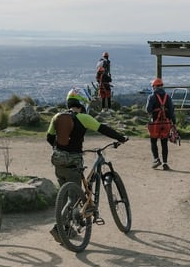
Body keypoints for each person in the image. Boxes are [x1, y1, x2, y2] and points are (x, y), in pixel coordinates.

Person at [46, 87, 128, 242]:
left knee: (63, 195)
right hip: (73, 161)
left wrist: (62, 149)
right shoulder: (83, 117)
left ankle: (67, 228)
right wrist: (121, 137)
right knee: (73, 198)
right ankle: (59, 228)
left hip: (58, 161)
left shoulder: (56, 116)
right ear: (83, 102)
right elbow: (103, 128)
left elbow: (49, 137)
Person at [145, 78, 176, 170]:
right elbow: (171, 111)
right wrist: (174, 123)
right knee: (164, 142)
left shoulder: (152, 97)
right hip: (166, 123)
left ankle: (156, 159)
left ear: (154, 86)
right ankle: (165, 163)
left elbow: (148, 109)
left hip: (155, 123)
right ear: (162, 86)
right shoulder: (168, 97)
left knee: (153, 141)